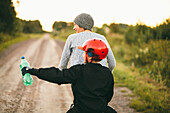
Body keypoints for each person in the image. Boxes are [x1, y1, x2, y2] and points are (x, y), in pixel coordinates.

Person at [21, 39, 117, 113]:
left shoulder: (79, 70)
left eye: (85, 52)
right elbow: (109, 95)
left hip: (80, 110)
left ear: (90, 56)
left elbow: (56, 75)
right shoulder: (107, 73)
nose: (83, 55)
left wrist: (32, 71)